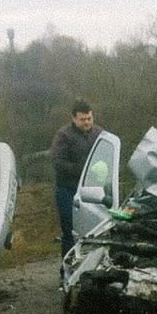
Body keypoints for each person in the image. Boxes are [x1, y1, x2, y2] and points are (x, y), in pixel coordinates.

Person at [50, 100, 103, 271]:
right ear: (74, 118)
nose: (87, 122)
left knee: (96, 230)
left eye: (89, 118)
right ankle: (67, 269)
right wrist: (83, 170)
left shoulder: (99, 134)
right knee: (70, 231)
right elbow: (57, 162)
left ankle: (92, 266)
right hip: (68, 190)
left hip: (92, 190)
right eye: (82, 119)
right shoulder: (63, 135)